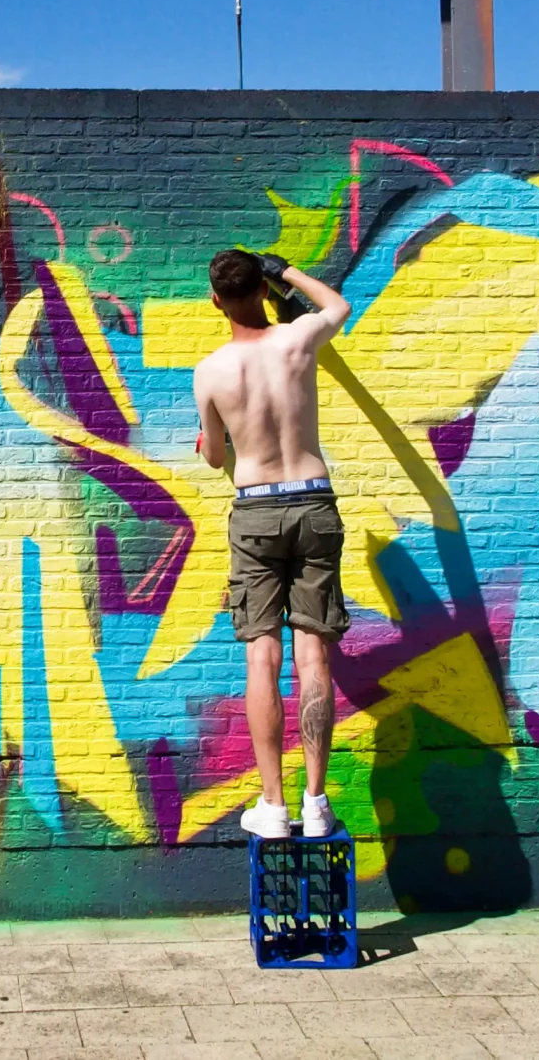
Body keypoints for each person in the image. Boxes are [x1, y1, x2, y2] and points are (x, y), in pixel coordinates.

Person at [193, 248, 354, 841]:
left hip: (256, 509)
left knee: (263, 655)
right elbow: (337, 304)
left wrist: (215, 444)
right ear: (260, 291)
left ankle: (274, 805)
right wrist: (286, 272)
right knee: (314, 654)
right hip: (314, 503)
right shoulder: (297, 341)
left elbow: (213, 458)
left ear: (215, 301)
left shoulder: (210, 372)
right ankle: (316, 802)